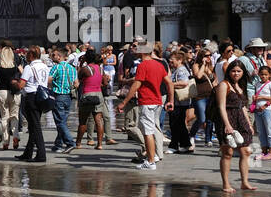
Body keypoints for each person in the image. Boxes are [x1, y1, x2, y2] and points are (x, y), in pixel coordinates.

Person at [118, 42, 171, 170]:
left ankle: (151, 161)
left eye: (136, 48)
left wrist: (124, 102)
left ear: (142, 52)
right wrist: (171, 100)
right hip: (157, 101)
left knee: (148, 132)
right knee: (151, 129)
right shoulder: (158, 64)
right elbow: (170, 82)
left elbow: (136, 84)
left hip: (147, 101)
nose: (134, 50)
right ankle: (153, 157)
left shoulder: (143, 65)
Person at [215, 59, 256, 193]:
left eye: (239, 71)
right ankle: (226, 183)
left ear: (243, 72)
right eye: (233, 71)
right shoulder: (224, 85)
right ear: (229, 72)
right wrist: (227, 125)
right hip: (227, 119)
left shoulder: (241, 86)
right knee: (228, 153)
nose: (236, 73)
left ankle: (244, 182)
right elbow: (221, 106)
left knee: (246, 151)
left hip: (241, 120)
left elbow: (243, 106)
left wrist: (249, 124)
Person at [16, 46, 49, 163]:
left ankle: (41, 154)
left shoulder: (29, 67)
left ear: (31, 55)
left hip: (31, 97)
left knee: (35, 127)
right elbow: (48, 80)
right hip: (41, 97)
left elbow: (21, 84)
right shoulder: (45, 66)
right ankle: (28, 153)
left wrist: (14, 82)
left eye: (27, 54)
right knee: (32, 125)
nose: (25, 56)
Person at [72, 49, 107, 152]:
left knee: (83, 120)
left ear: (86, 58)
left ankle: (78, 143)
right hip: (98, 94)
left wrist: (81, 64)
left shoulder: (85, 69)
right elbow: (105, 83)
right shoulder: (100, 69)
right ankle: (100, 144)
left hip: (87, 94)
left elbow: (77, 78)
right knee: (98, 119)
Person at [48, 47, 77, 153]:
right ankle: (58, 144)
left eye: (54, 55)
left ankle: (70, 143)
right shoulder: (72, 68)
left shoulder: (56, 68)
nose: (52, 56)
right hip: (68, 97)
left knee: (59, 122)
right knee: (63, 121)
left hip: (58, 96)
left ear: (59, 56)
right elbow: (76, 83)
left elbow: (48, 80)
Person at [166, 50, 194, 154]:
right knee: (180, 124)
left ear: (179, 60)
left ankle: (174, 145)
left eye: (172, 59)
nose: (170, 61)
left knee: (175, 123)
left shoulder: (181, 70)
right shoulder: (177, 69)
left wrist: (171, 84)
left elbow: (184, 83)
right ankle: (185, 144)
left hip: (179, 102)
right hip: (180, 102)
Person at [0, 43, 21, 150]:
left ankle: (5, 142)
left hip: (2, 92)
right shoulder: (16, 67)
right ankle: (15, 136)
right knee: (15, 116)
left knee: (4, 117)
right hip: (14, 92)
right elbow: (23, 77)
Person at [251, 65, 271, 159]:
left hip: (268, 110)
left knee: (270, 131)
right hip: (258, 109)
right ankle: (264, 150)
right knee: (261, 131)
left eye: (266, 75)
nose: (263, 76)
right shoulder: (257, 84)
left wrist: (264, 101)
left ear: (270, 75)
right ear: (259, 74)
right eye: (262, 74)